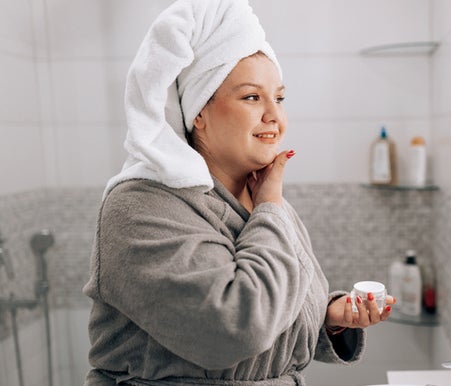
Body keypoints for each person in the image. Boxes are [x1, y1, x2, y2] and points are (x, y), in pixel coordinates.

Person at [82, 0, 395, 385]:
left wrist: (330, 318)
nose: (274, 116)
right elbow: (237, 328)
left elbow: (278, 320)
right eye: (252, 97)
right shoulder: (139, 207)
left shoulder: (263, 199)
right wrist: (269, 207)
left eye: (278, 98)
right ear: (199, 111)